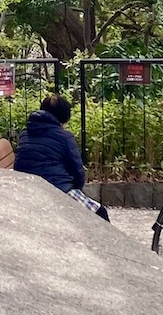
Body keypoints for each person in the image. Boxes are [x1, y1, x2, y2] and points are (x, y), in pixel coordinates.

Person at [14, 94, 110, 222]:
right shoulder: (65, 137)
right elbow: (78, 172)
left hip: (27, 189)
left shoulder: (25, 134)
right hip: (57, 189)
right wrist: (74, 188)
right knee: (100, 213)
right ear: (64, 118)